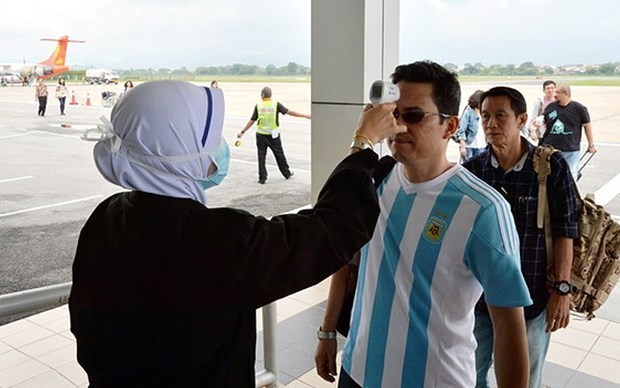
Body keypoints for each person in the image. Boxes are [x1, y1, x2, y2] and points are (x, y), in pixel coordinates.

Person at [69, 80, 405, 387]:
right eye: (208, 138)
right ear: (174, 151)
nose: (219, 146)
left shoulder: (109, 216)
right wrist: (362, 144)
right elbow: (328, 231)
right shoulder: (213, 241)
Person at [314, 61, 532, 388]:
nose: (399, 126)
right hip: (356, 371)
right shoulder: (376, 182)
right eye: (393, 114)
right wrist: (328, 330)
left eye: (414, 116)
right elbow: (346, 258)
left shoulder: (482, 210)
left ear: (450, 126)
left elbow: (508, 326)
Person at [463, 87, 579, 388]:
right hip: (479, 300)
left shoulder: (550, 167)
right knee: (469, 374)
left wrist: (562, 291)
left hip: (532, 298)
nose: (491, 124)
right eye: (485, 116)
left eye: (501, 116)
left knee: (525, 378)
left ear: (522, 119)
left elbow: (567, 231)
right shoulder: (472, 171)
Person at [237, 86, 311, 184]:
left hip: (261, 135)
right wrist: (306, 116)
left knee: (261, 156)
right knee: (279, 154)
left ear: (263, 95)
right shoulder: (276, 104)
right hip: (273, 135)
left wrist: (242, 132)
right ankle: (287, 173)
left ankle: (262, 178)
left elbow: (252, 120)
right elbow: (289, 112)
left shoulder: (258, 105)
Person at [540, 84, 596, 180]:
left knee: (569, 178)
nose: (554, 95)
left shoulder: (579, 109)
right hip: (550, 150)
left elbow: (587, 126)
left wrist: (591, 144)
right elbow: (543, 121)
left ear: (565, 93)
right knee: (550, 177)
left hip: (571, 150)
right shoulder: (551, 107)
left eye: (557, 92)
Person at [456, 89, 486, 162]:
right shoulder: (468, 112)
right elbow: (461, 130)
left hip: (481, 146)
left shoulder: (484, 111)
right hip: (468, 146)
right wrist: (462, 147)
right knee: (468, 168)